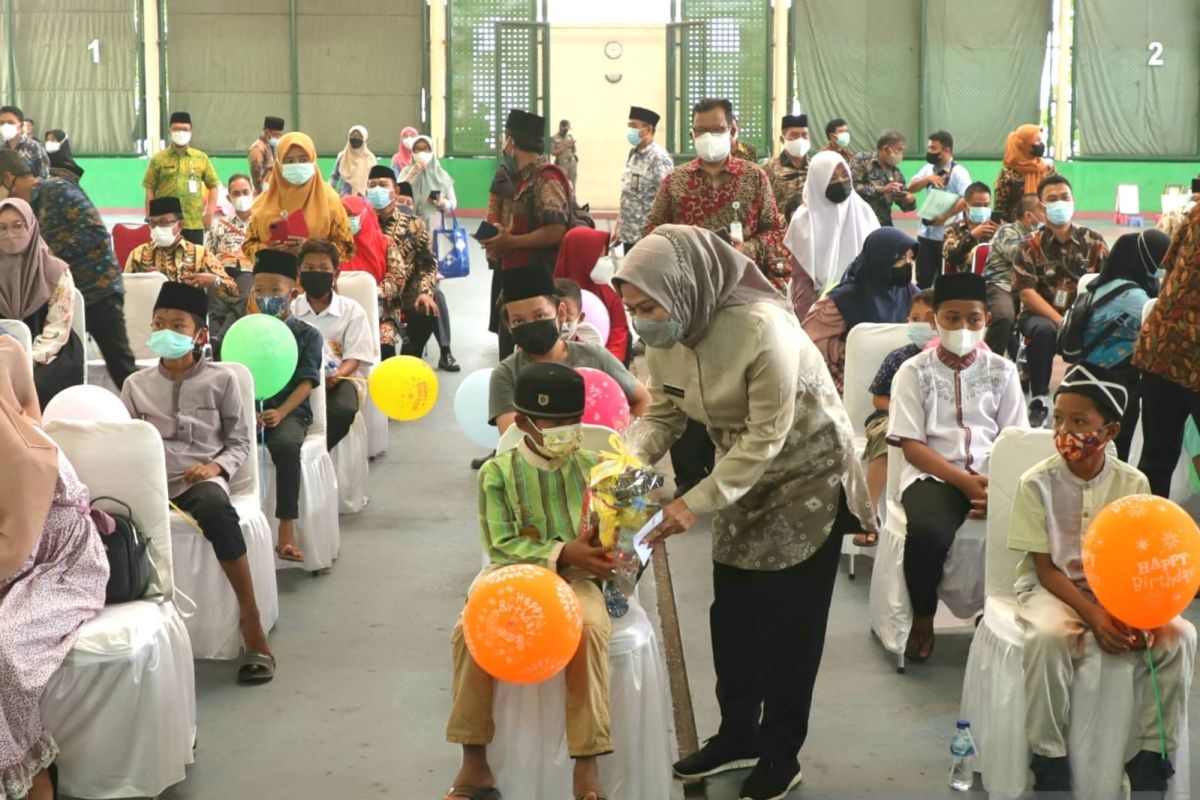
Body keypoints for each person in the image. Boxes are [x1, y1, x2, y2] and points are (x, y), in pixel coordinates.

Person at [614, 225, 874, 800]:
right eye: (631, 307)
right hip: (739, 476)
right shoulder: (669, 332)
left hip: (806, 474)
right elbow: (663, 414)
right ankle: (738, 735)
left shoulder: (764, 332)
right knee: (732, 618)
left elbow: (767, 437)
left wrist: (689, 504)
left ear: (683, 287)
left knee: (788, 626)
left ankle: (781, 755)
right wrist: (624, 469)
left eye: (648, 305)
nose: (641, 319)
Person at [1008, 363, 1195, 797]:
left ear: (1109, 431)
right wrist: (1093, 614)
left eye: (1079, 422)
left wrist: (1138, 613)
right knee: (1049, 637)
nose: (1064, 431)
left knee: (1179, 636)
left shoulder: (1135, 483)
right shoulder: (1035, 484)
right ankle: (1048, 757)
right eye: (1058, 418)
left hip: (1120, 589)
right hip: (1053, 588)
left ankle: (1154, 754)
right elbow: (1045, 568)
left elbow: (1142, 559)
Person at [444, 362, 614, 800]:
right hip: (512, 576)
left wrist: (617, 537)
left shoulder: (598, 468)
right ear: (522, 423)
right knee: (468, 631)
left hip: (577, 579)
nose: (566, 431)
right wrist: (561, 550)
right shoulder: (497, 473)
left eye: (573, 422)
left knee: (590, 628)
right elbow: (500, 544)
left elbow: (614, 538)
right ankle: (474, 761)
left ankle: (587, 764)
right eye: (553, 423)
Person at [120, 281, 275, 684]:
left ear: (200, 335)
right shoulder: (135, 386)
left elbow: (241, 441)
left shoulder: (223, 381)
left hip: (199, 482)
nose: (165, 331)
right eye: (158, 323)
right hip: (148, 482)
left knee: (217, 512)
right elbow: (124, 441)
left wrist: (215, 468)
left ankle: (251, 621)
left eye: (177, 324)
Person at [888, 272, 1027, 662]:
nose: (963, 328)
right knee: (929, 533)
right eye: (952, 318)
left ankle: (995, 616)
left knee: (1022, 531)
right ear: (934, 319)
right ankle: (923, 617)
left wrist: (997, 489)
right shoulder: (913, 372)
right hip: (935, 475)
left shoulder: (1003, 371)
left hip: (992, 472)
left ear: (986, 320)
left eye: (973, 319)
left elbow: (1014, 437)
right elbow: (912, 445)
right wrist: (964, 484)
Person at [0, 336, 107, 800]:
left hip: (59, 563)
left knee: (4, 646)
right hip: (17, 554)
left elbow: (13, 551)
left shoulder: (26, 455)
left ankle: (32, 776)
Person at [0, 148, 137, 388]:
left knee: (119, 363)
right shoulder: (26, 209)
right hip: (58, 296)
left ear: (9, 178)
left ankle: (145, 412)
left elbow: (95, 232)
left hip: (97, 289)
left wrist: (52, 257)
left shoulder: (56, 190)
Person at [643, 98, 786, 288]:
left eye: (717, 130)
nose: (708, 137)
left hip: (742, 283)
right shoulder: (675, 180)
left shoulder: (755, 177)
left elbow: (774, 230)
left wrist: (747, 249)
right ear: (692, 135)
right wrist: (680, 248)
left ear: (732, 131)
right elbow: (651, 229)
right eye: (701, 131)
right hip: (689, 285)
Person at [489, 265, 649, 433]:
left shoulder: (595, 356)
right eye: (519, 321)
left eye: (540, 316)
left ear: (561, 313)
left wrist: (630, 447)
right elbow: (511, 437)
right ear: (508, 325)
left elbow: (642, 399)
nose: (532, 326)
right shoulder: (506, 374)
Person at [1013, 174, 1108, 427]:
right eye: (1052, 199)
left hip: (1085, 313)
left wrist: (1080, 318)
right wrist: (1061, 320)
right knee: (1043, 331)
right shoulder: (1029, 245)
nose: (1060, 203)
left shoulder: (1094, 241)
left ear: (1073, 200)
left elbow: (1108, 285)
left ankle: (1087, 394)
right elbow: (1026, 292)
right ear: (1042, 207)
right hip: (1042, 315)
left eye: (1065, 197)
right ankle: (1040, 397)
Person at [250, 250, 322, 564]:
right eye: (260, 291)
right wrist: (246, 412)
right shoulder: (242, 332)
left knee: (286, 446)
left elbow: (307, 381)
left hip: (291, 411)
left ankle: (286, 529)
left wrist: (280, 412)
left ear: (292, 294)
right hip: (248, 411)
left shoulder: (308, 335)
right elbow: (231, 378)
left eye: (275, 291)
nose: (267, 297)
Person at [1078, 230, 1169, 460]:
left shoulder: (1125, 282)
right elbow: (1164, 321)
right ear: (1145, 260)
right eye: (1163, 261)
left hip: (1114, 368)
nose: (1165, 267)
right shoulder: (1129, 293)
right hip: (1109, 373)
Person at [855, 289, 936, 538]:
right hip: (889, 417)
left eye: (928, 318)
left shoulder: (950, 361)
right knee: (888, 437)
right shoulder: (900, 357)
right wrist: (903, 409)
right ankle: (866, 516)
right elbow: (878, 398)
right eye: (914, 318)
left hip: (934, 420)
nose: (919, 324)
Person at [1133, 202, 1200, 498]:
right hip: (1183, 350)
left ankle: (1150, 537)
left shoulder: (1196, 211)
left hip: (1162, 344)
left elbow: (1169, 266)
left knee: (1157, 459)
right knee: (1158, 459)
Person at [801, 227, 917, 393]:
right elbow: (811, 341)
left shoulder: (910, 293)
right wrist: (855, 351)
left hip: (900, 380)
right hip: (854, 380)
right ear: (880, 259)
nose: (908, 265)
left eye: (910, 258)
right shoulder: (845, 298)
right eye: (900, 259)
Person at [364, 166, 456, 369]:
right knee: (385, 353)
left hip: (407, 291)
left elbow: (428, 262)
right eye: (372, 186)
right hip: (375, 294)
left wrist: (425, 292)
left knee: (428, 309)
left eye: (382, 185)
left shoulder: (414, 224)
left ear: (395, 191)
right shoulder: (361, 224)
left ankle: (411, 360)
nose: (377, 189)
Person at [0, 197, 83, 408]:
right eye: (2, 228)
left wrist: (27, 360)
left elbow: (58, 326)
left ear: (32, 227)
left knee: (39, 384)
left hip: (49, 350)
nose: (10, 234)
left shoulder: (55, 271)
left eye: (18, 226)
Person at [293, 239, 374, 451]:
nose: (316, 273)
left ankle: (317, 453)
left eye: (323, 269)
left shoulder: (352, 311)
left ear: (335, 274)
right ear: (299, 273)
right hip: (297, 377)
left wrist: (337, 375)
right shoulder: (291, 309)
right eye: (309, 268)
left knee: (342, 410)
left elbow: (355, 356)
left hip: (339, 379)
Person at [784, 150, 879, 320]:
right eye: (832, 178)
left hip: (862, 305)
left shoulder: (863, 211)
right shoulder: (803, 220)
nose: (841, 182)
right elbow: (802, 281)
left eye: (844, 175)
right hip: (816, 309)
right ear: (818, 182)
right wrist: (814, 319)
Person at [241, 132, 354, 264]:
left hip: (314, 277)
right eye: (288, 161)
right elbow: (248, 245)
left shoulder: (330, 199)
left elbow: (347, 247)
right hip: (273, 277)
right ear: (279, 165)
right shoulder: (264, 201)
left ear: (313, 160)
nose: (296, 165)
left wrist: (311, 249)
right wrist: (267, 251)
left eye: (303, 159)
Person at [481, 110, 571, 274]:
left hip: (539, 274)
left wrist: (512, 242)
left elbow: (556, 230)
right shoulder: (523, 177)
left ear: (512, 143)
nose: (504, 147)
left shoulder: (546, 178)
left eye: (505, 139)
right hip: (517, 269)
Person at [126, 196, 239, 299]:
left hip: (188, 316)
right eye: (153, 224)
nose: (157, 228)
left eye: (163, 222)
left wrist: (215, 281)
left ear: (180, 225)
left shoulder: (199, 254)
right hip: (151, 316)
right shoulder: (139, 254)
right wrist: (143, 282)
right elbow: (124, 292)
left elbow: (234, 292)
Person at [554, 226, 630, 362]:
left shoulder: (608, 294)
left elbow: (619, 330)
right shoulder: (553, 294)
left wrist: (608, 363)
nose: (605, 261)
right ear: (581, 257)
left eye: (605, 254)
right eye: (599, 256)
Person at [907, 130, 972, 289]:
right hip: (925, 234)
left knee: (946, 281)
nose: (929, 152)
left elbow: (966, 199)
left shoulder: (959, 172)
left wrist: (944, 217)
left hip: (947, 236)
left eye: (933, 148)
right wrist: (927, 179)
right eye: (929, 148)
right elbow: (911, 187)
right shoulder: (928, 169)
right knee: (923, 280)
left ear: (947, 150)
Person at [142, 111, 219, 245]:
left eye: (185, 129)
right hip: (165, 224)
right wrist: (150, 217)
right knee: (164, 261)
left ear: (191, 131)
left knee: (193, 261)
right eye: (176, 129)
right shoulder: (158, 159)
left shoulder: (201, 157)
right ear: (169, 131)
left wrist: (209, 213)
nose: (181, 132)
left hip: (193, 223)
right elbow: (150, 188)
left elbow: (213, 185)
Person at [983, 192, 1043, 355]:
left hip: (1027, 289)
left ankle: (1029, 369)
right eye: (1043, 212)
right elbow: (1019, 256)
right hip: (1000, 285)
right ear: (1029, 217)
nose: (1047, 215)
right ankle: (988, 364)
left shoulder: (1044, 236)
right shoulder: (1008, 231)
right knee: (1004, 316)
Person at [616, 105, 674, 254]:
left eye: (634, 126)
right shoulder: (634, 154)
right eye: (629, 126)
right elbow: (629, 192)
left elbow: (668, 197)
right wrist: (619, 226)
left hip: (648, 238)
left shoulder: (658, 158)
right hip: (629, 235)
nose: (630, 131)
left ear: (648, 130)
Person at [850, 130, 916, 227]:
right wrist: (882, 189)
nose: (901, 154)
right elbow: (852, 187)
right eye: (899, 150)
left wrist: (910, 200)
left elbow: (905, 207)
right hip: (859, 223)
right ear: (886, 149)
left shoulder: (896, 173)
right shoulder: (862, 160)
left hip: (883, 225)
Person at [994, 124, 1055, 223]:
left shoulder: (1048, 170)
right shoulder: (1008, 175)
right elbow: (1000, 208)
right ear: (1023, 144)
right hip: (1016, 230)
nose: (1041, 144)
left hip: (1047, 226)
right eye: (1037, 140)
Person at [399, 135, 457, 236]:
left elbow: (453, 203)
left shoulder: (442, 175)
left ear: (432, 152)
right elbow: (398, 192)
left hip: (434, 227)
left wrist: (442, 203)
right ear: (412, 152)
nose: (421, 153)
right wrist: (413, 173)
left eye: (425, 149)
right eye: (417, 149)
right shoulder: (406, 171)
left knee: (432, 250)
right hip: (408, 224)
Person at [940, 181, 998, 275]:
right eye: (977, 205)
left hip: (993, 282)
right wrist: (971, 236)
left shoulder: (996, 228)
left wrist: (1003, 235)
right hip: (964, 283)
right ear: (965, 206)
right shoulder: (953, 230)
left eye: (986, 205)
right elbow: (950, 258)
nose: (982, 209)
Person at [761, 114, 813, 216]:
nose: (800, 139)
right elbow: (762, 203)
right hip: (781, 227)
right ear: (782, 139)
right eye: (794, 135)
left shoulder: (815, 166)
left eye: (804, 134)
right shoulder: (769, 167)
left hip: (810, 224)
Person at [553, 277, 605, 348]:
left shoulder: (589, 343)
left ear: (580, 317)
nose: (559, 319)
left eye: (566, 312)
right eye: (553, 312)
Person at [0, 105, 48, 178]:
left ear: (21, 125)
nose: (5, 126)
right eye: (2, 123)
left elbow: (44, 176)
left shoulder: (34, 147)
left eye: (10, 122)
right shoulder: (1, 146)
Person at [330, 125, 376, 197]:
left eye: (359, 136)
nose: (355, 138)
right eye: (353, 136)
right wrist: (329, 192)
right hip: (344, 198)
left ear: (364, 138)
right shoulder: (342, 156)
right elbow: (334, 177)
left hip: (363, 198)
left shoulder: (370, 158)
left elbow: (374, 179)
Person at [248, 116, 285, 193]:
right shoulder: (258, 148)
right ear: (267, 132)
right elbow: (257, 175)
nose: (279, 138)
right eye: (277, 135)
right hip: (265, 190)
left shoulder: (272, 146)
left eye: (280, 135)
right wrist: (262, 193)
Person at [550, 119, 579, 187]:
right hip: (562, 164)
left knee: (573, 184)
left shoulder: (569, 137)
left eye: (568, 129)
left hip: (572, 163)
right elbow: (553, 153)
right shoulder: (554, 139)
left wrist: (573, 145)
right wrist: (565, 146)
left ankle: (573, 196)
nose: (567, 130)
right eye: (566, 128)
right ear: (561, 127)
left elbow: (574, 151)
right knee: (563, 184)